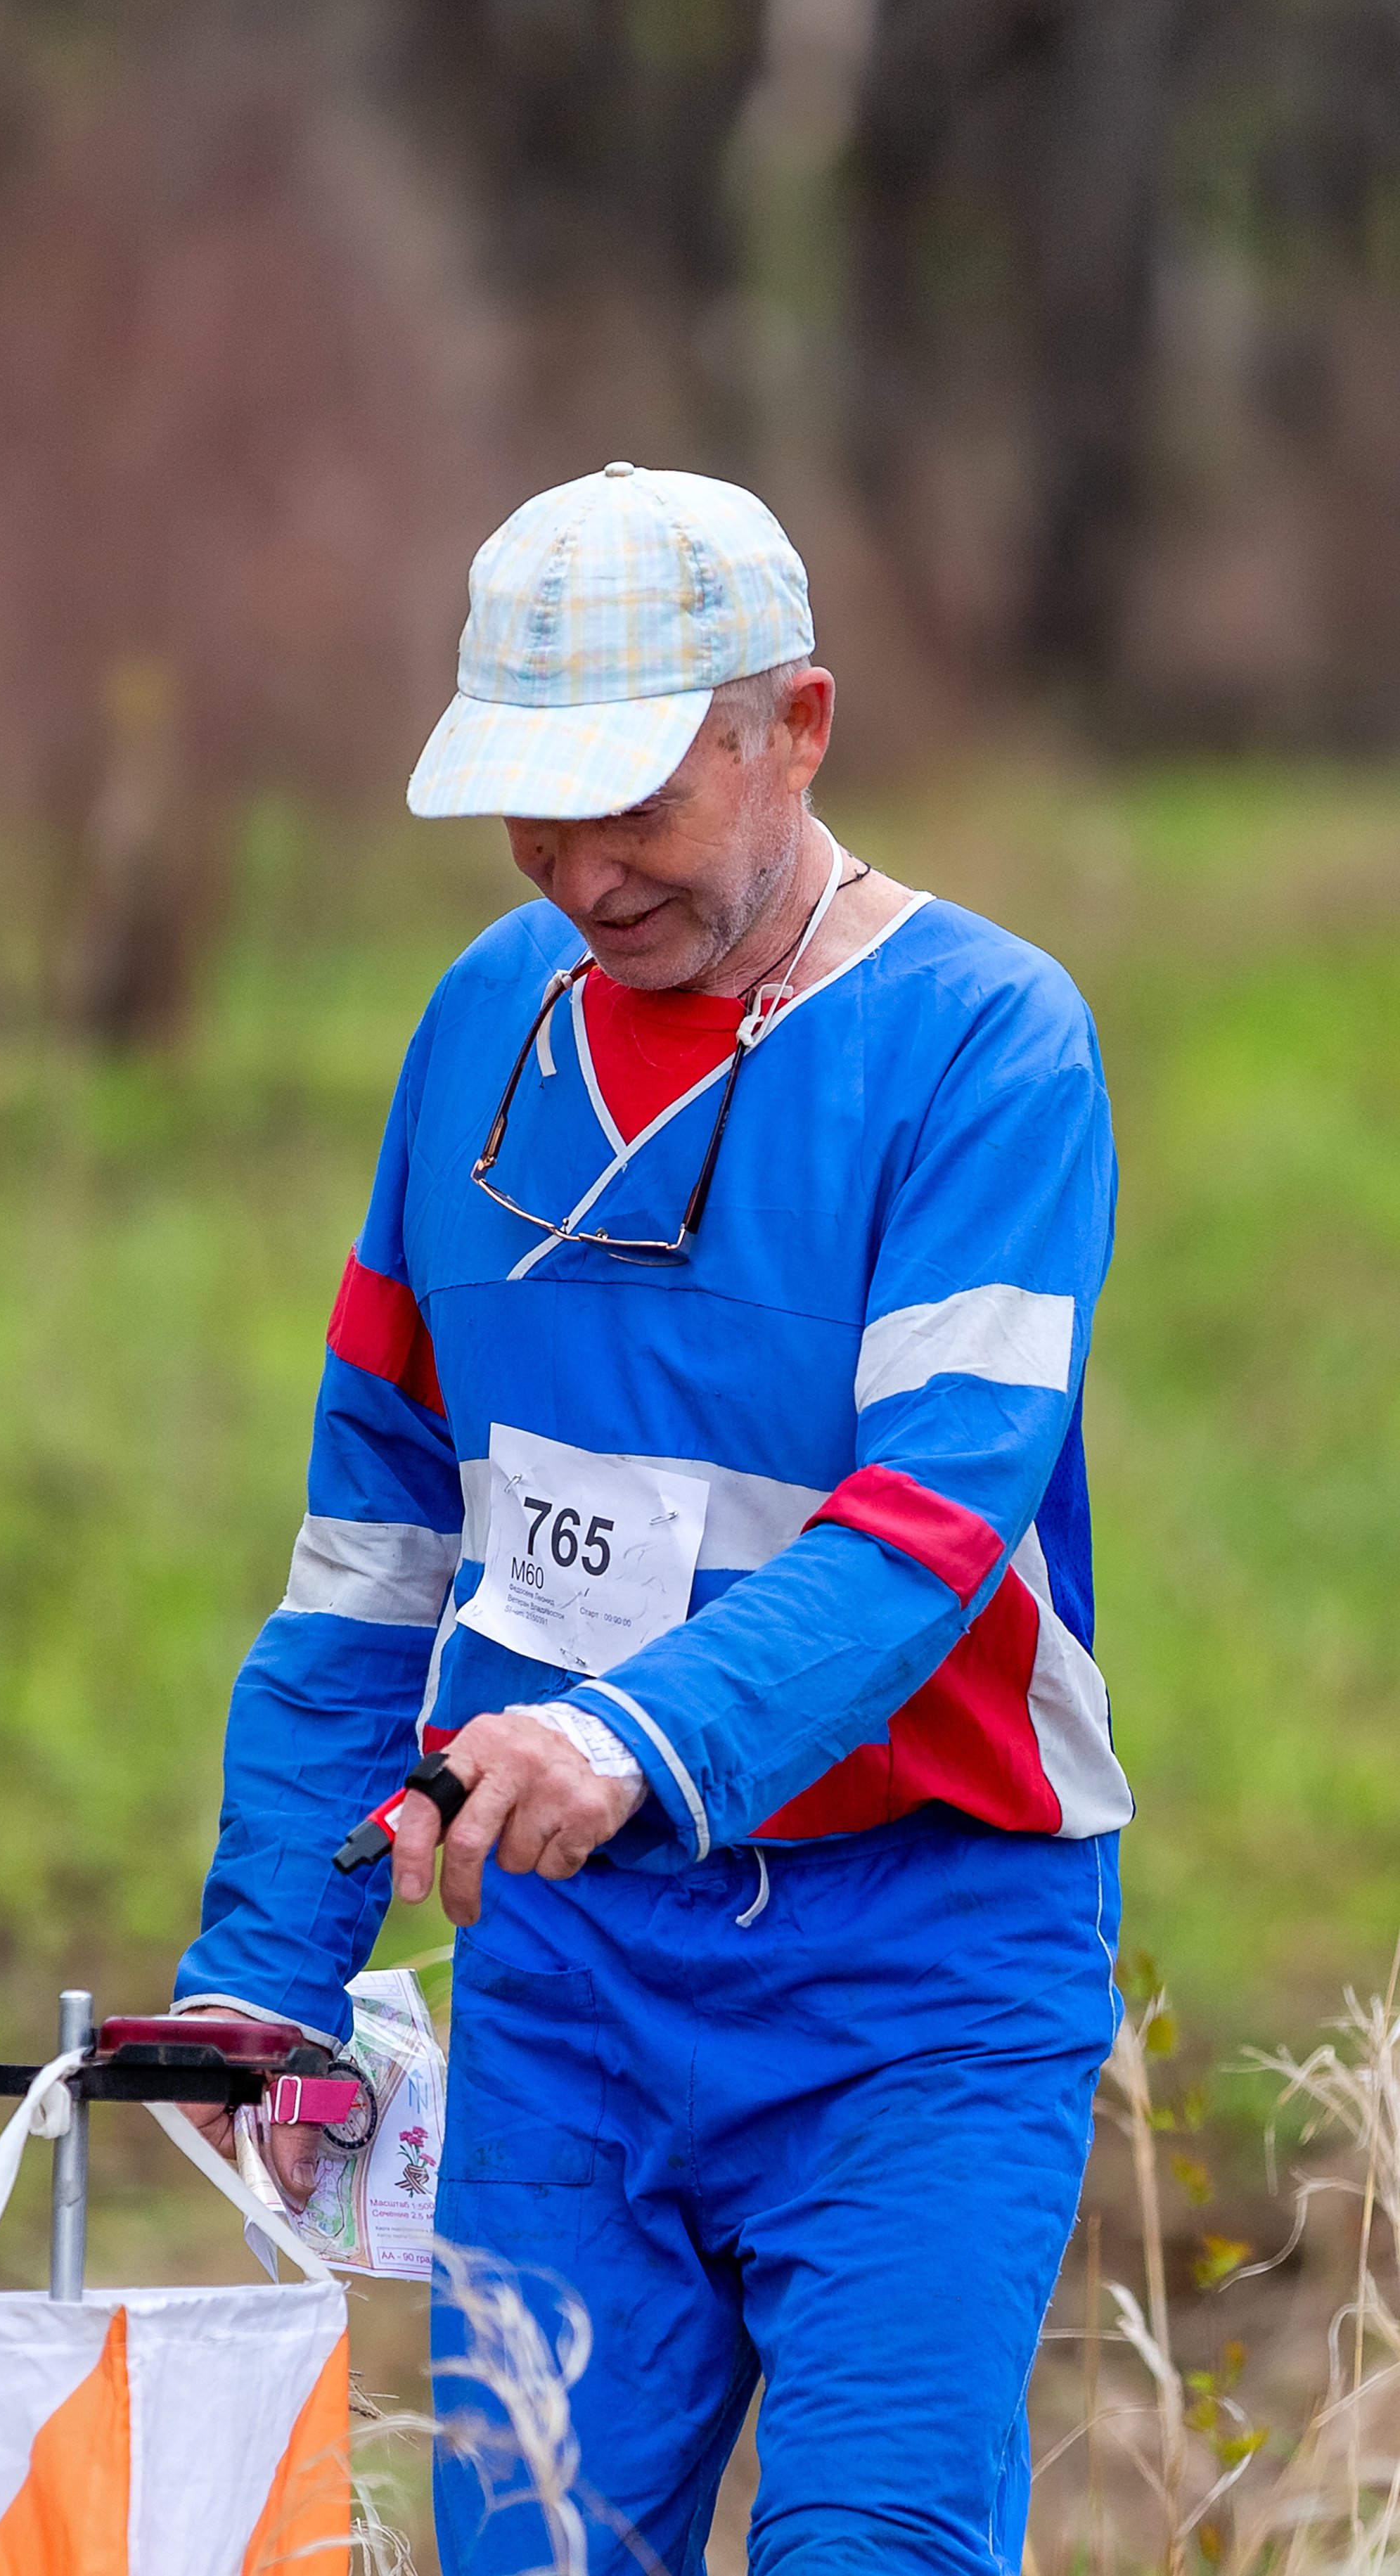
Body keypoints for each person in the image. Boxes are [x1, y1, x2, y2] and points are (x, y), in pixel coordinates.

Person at [174, 464, 1131, 2575]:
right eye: (534, 806)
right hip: (570, 1979)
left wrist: (614, 1745)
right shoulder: (477, 1032)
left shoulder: (987, 1047)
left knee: (874, 2542)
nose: (583, 869)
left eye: (635, 801)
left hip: (923, 1971)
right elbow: (376, 1544)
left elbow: (927, 1528)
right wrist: (264, 1964)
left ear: (794, 725)